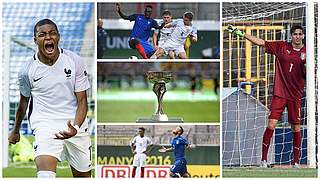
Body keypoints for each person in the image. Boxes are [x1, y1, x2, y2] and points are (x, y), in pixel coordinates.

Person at [8, 19, 92, 178]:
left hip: (75, 124)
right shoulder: (27, 70)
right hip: (45, 125)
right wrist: (15, 130)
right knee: (45, 175)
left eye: (52, 33)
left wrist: (75, 126)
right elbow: (24, 102)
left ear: (58, 37)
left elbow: (82, 101)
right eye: (42, 34)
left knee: (83, 176)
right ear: (35, 40)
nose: (48, 37)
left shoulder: (74, 61)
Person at [228, 24, 306, 168]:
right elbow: (261, 42)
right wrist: (241, 34)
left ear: (303, 36)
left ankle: (296, 162)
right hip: (280, 94)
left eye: (300, 34)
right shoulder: (281, 46)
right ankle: (264, 160)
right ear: (291, 35)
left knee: (296, 128)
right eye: (295, 34)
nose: (297, 36)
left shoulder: (307, 53)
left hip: (295, 95)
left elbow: (309, 74)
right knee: (271, 124)